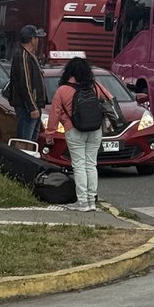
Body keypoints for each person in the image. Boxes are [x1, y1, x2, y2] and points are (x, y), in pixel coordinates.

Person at [48, 56, 114, 211]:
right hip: (95, 129)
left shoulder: (63, 90)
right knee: (91, 164)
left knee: (79, 165)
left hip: (74, 130)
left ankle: (82, 202)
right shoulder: (95, 86)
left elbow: (54, 114)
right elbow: (110, 100)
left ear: (69, 71)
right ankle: (92, 200)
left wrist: (50, 134)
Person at [9, 24, 47, 142]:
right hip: (27, 108)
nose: (38, 41)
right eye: (37, 38)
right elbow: (24, 84)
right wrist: (32, 107)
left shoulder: (29, 56)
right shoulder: (23, 56)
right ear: (32, 39)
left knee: (32, 141)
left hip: (34, 105)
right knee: (25, 142)